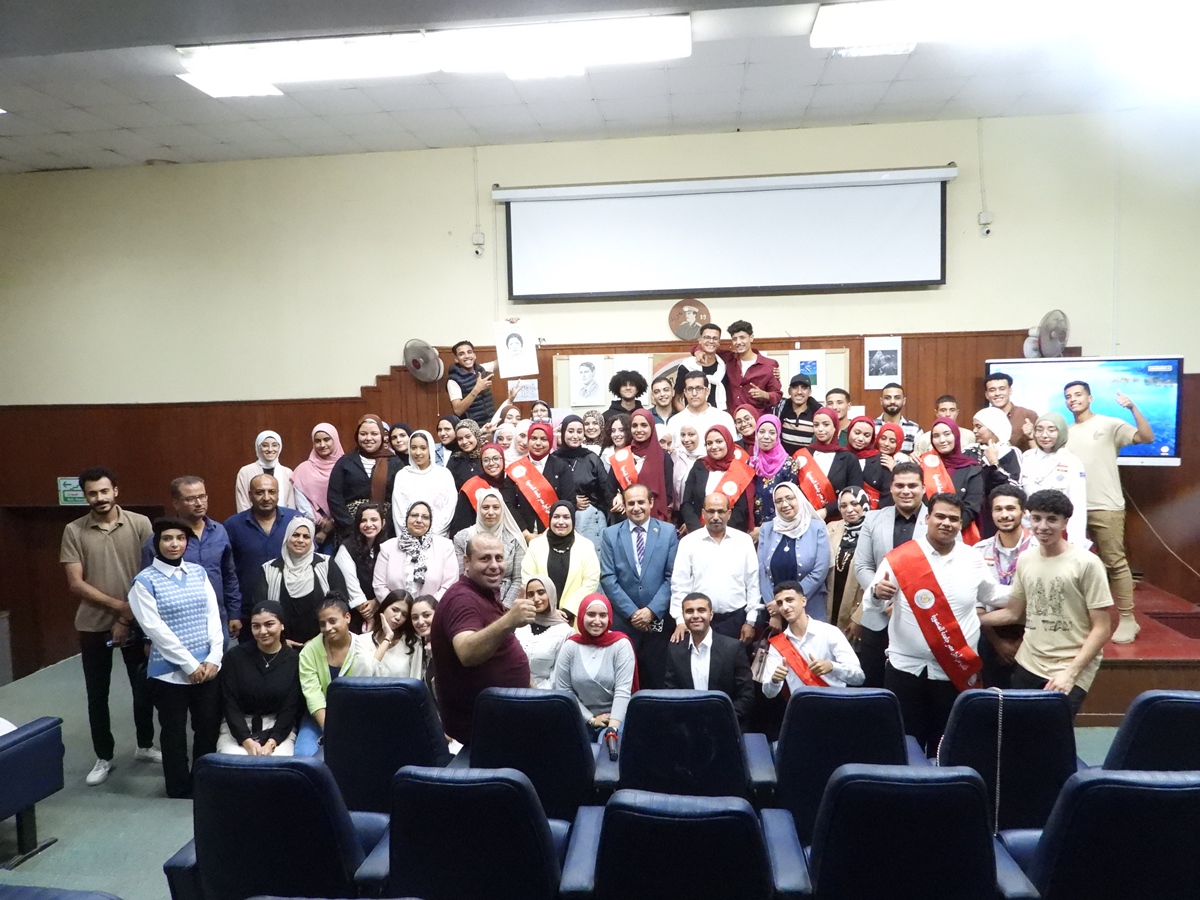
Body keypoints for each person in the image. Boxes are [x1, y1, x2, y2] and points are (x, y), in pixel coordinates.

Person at [866, 493, 1001, 756]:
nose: (946, 523)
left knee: (948, 748)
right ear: (927, 518)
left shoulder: (972, 558)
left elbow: (992, 595)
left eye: (953, 518)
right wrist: (876, 594)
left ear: (960, 524)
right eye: (940, 516)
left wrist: (1026, 591)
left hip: (954, 669)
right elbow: (871, 606)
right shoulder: (901, 558)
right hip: (906, 671)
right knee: (904, 747)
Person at [61, 466, 157, 785]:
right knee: (97, 694)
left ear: (115, 490)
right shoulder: (74, 530)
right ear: (85, 496)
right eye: (92, 493)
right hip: (93, 624)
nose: (99, 498)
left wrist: (127, 616)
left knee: (143, 688)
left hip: (138, 621)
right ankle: (104, 756)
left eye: (104, 491)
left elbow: (152, 572)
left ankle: (145, 745)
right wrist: (120, 608)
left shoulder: (140, 524)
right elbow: (75, 583)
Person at [981, 490, 1114, 718]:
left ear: (1065, 522)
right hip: (1028, 662)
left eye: (1052, 519)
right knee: (1017, 728)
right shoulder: (1026, 559)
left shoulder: (1087, 563)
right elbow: (1013, 612)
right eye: (1036, 518)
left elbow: (1102, 628)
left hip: (1068, 667)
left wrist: (1070, 673)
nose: (1043, 526)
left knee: (1053, 732)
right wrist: (967, 619)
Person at [128, 517, 224, 798]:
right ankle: (179, 787)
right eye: (167, 538)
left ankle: (203, 781)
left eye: (180, 538)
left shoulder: (198, 572)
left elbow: (212, 616)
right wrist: (189, 664)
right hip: (169, 672)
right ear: (156, 543)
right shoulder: (144, 582)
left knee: (207, 728)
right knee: (174, 732)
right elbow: (155, 630)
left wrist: (214, 658)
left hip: (207, 668)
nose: (174, 544)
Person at [1064, 380, 1154, 643]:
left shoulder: (1109, 424)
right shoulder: (1065, 432)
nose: (1073, 399)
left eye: (1078, 394)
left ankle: (1127, 618)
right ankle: (1081, 619)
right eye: (1068, 396)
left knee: (1115, 562)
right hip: (1073, 510)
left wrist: (1133, 408)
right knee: (1073, 565)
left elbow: (1147, 438)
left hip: (1106, 504)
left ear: (1090, 398)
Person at [431, 534, 536, 744]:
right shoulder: (462, 599)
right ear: (467, 562)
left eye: (499, 558)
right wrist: (509, 620)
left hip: (506, 718)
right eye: (485, 558)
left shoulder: (484, 593)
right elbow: (467, 652)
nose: (494, 565)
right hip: (483, 729)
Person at [851, 462, 927, 688]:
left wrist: (904, 604)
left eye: (912, 485)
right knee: (873, 685)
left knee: (911, 689)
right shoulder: (873, 519)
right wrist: (883, 598)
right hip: (877, 618)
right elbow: (862, 565)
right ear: (891, 488)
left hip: (922, 620)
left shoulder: (938, 519)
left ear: (923, 488)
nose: (906, 491)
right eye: (900, 485)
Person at [140, 475, 242, 638]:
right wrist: (148, 637)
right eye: (191, 499)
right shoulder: (161, 540)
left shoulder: (219, 531)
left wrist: (234, 613)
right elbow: (147, 589)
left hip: (217, 619)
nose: (199, 503)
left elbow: (229, 575)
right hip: (178, 625)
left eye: (202, 496)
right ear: (176, 503)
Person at [599, 484, 679, 689]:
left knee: (657, 682)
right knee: (624, 683)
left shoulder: (668, 532)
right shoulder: (610, 534)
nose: (636, 508)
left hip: (659, 622)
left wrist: (651, 611)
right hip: (625, 622)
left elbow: (672, 577)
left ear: (651, 503)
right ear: (624, 506)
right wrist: (633, 613)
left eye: (641, 502)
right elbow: (608, 577)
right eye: (631, 503)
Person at [671, 492, 761, 643]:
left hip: (736, 620)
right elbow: (680, 584)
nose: (716, 516)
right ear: (703, 513)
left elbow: (753, 583)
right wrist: (680, 620)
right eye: (711, 511)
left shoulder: (744, 541)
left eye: (721, 511)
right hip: (699, 620)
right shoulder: (689, 543)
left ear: (729, 514)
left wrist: (750, 621)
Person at [217, 600, 301, 756]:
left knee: (278, 764)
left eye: (269, 624)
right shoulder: (234, 657)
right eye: (256, 626)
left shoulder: (294, 661)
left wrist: (272, 742)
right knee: (234, 763)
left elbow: (290, 709)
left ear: (282, 625)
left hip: (277, 726)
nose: (263, 631)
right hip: (238, 726)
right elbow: (230, 704)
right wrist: (246, 740)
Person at [551, 594, 638, 739]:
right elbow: (564, 690)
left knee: (608, 747)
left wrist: (612, 728)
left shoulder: (621, 644)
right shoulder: (570, 646)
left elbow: (623, 691)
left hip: (616, 719)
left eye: (602, 615)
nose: (597, 621)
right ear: (581, 616)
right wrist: (591, 719)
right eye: (591, 614)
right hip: (578, 716)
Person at [250, 517, 348, 646]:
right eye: (295, 535)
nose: (300, 540)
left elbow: (341, 603)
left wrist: (319, 640)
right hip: (282, 646)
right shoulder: (269, 569)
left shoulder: (326, 564)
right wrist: (281, 641)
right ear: (287, 537)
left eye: (306, 536)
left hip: (324, 644)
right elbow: (261, 609)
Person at [665, 592, 755, 727]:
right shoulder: (675, 649)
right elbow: (671, 691)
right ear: (683, 616)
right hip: (687, 727)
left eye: (701, 610)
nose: (695, 615)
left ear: (711, 615)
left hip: (726, 725)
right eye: (689, 611)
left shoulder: (733, 648)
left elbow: (746, 695)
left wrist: (721, 720)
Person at [225, 474, 301, 635]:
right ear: (250, 495)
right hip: (249, 610)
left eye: (271, 492)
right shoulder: (233, 525)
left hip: (291, 606)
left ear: (278, 494)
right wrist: (234, 612)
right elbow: (228, 573)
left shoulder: (295, 520)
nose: (266, 498)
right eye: (260, 492)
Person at [974, 485, 1033, 689]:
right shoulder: (979, 551)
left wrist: (1021, 643)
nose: (1004, 515)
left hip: (1032, 633)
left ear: (1023, 512)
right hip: (990, 634)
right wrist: (998, 643)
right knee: (993, 696)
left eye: (1011, 508)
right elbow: (975, 602)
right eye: (998, 509)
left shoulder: (1040, 549)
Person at [761, 581, 864, 698]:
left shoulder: (830, 632)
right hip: (802, 706)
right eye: (780, 603)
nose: (785, 607)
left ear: (803, 601)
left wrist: (832, 667)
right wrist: (774, 680)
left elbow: (859, 677)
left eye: (789, 600)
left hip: (836, 703)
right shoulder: (778, 644)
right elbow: (769, 693)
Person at [296, 593, 360, 755]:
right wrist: (330, 730)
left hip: (356, 716)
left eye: (333, 621)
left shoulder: (364, 647)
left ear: (347, 617)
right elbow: (313, 695)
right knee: (303, 757)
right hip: (318, 717)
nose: (327, 628)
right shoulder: (309, 651)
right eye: (322, 624)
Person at [757, 482, 831, 621]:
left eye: (789, 498)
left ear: (799, 498)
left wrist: (785, 603)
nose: (784, 504)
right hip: (773, 611)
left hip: (809, 607)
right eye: (779, 501)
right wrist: (775, 608)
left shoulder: (816, 528)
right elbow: (762, 572)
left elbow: (819, 571)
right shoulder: (767, 529)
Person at [521, 500, 601, 619]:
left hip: (573, 617)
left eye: (566, 517)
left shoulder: (586, 546)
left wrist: (567, 610)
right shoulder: (535, 545)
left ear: (573, 520)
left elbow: (591, 582)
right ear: (550, 519)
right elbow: (527, 579)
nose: (561, 522)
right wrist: (550, 610)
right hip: (541, 615)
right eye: (556, 517)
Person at [327, 414, 397, 543]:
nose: (368, 438)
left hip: (386, 530)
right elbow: (334, 497)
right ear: (357, 436)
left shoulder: (395, 463)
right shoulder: (345, 462)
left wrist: (385, 525)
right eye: (363, 434)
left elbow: (399, 498)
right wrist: (350, 526)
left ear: (382, 436)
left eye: (374, 434)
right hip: (349, 530)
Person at [452, 486, 526, 606]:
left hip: (506, 602)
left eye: (496, 507)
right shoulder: (462, 537)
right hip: (472, 600)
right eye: (485, 507)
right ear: (478, 509)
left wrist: (504, 609)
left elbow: (518, 580)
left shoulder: (515, 539)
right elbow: (462, 577)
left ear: (502, 510)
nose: (491, 512)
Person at [1021, 412, 1087, 545]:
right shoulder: (1026, 457)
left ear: (1061, 432)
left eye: (1051, 430)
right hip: (1028, 531)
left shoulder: (1072, 461)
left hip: (1057, 530)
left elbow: (1078, 505)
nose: (1044, 435)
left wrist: (1076, 542)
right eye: (1039, 430)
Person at [374, 501, 460, 602]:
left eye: (425, 517)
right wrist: (399, 607)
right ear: (406, 518)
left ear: (431, 522)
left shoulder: (445, 547)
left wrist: (426, 608)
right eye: (414, 515)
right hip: (396, 610)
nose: (419, 520)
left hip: (433, 610)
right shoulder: (388, 547)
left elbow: (450, 585)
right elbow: (379, 586)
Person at [681, 424, 755, 534]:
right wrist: (698, 530)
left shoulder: (739, 469)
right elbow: (687, 503)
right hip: (699, 532)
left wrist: (720, 533)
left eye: (719, 442)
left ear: (728, 442)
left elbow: (741, 509)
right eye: (709, 443)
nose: (714, 446)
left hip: (731, 534)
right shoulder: (700, 465)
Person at [505, 421, 572, 540]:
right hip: (521, 534)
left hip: (554, 534)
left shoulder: (561, 467)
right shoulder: (516, 468)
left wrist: (552, 532)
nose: (538, 443)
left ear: (550, 441)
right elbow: (508, 504)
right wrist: (526, 534)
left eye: (543, 439)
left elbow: (569, 501)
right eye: (534, 438)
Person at [919, 417, 985, 539]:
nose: (942, 440)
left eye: (947, 434)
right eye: (936, 436)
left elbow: (972, 507)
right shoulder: (923, 462)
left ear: (956, 435)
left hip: (959, 534)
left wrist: (948, 530)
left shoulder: (971, 468)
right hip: (925, 533)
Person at [796, 408, 864, 521]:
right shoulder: (802, 455)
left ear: (835, 427)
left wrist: (826, 511)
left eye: (826, 424)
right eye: (816, 425)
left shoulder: (849, 458)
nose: (820, 429)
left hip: (838, 520)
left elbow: (855, 492)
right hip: (805, 518)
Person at [605, 408, 673, 522]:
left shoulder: (663, 457)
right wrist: (618, 498)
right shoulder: (622, 456)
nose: (639, 430)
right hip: (625, 517)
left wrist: (645, 509)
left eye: (644, 425)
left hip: (654, 518)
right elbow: (609, 491)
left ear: (651, 427)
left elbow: (668, 494)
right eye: (634, 426)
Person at [555, 414, 611, 545]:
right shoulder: (554, 459)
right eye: (571, 431)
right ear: (563, 433)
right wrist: (572, 500)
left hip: (590, 518)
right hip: (560, 519)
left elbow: (606, 487)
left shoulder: (591, 458)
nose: (575, 436)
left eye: (579, 432)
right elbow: (549, 489)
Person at [968, 407, 1023, 538]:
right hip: (973, 513)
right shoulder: (969, 451)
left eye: (979, 427)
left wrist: (994, 462)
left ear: (993, 428)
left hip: (999, 513)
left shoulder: (1010, 453)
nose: (974, 431)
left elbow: (1014, 487)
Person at [391, 429, 457, 538]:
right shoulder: (402, 475)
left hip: (438, 536)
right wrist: (411, 536)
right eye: (413, 448)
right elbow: (399, 512)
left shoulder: (443, 475)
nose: (418, 453)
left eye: (423, 448)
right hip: (408, 538)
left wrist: (432, 535)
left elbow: (449, 508)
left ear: (430, 449)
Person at [332, 503, 390, 627]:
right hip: (355, 612)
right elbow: (351, 586)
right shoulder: (346, 549)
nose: (369, 524)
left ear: (383, 522)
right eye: (363, 520)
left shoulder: (389, 546)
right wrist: (367, 613)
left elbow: (392, 579)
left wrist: (377, 601)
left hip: (382, 606)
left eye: (374, 520)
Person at [289, 424, 343, 548]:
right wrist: (317, 521)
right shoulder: (303, 469)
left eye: (327, 439)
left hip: (341, 528)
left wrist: (331, 523)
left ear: (335, 440)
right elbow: (301, 501)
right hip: (310, 530)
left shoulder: (345, 466)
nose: (322, 445)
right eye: (317, 441)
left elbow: (347, 497)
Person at [513, 578, 573, 689]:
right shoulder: (519, 625)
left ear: (551, 594)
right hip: (512, 690)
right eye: (530, 594)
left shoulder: (565, 632)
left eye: (541, 593)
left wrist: (538, 693)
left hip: (545, 694)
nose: (536, 599)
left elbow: (558, 676)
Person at [352, 590, 425, 678]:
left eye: (404, 615)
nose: (398, 617)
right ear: (384, 607)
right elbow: (362, 675)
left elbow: (416, 679)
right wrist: (388, 637)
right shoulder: (362, 641)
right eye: (394, 610)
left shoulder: (412, 643)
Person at [826, 488, 869, 630]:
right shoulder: (831, 528)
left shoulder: (874, 531)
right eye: (843, 506)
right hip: (830, 601)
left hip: (857, 608)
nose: (849, 510)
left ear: (864, 503)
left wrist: (859, 618)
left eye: (855, 504)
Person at [719, 320, 782, 415]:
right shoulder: (729, 359)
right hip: (733, 418)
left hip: (757, 419)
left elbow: (777, 395)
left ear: (751, 338)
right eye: (734, 339)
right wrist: (698, 351)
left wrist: (765, 395)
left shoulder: (769, 365)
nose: (738, 342)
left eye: (742, 338)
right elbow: (708, 348)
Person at [748, 413, 799, 525]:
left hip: (780, 525)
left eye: (772, 433)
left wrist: (767, 526)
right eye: (761, 432)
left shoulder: (789, 465)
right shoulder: (751, 463)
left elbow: (791, 501)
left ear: (778, 435)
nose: (766, 436)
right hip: (752, 529)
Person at [449, 442, 508, 536]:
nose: (491, 463)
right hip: (478, 538)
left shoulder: (511, 484)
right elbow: (461, 524)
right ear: (481, 463)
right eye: (486, 460)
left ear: (503, 460)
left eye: (496, 458)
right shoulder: (472, 485)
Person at [667, 369, 736, 449]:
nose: (694, 393)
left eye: (699, 388)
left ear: (707, 391)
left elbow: (733, 448)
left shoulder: (723, 418)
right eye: (690, 389)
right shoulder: (674, 421)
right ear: (685, 392)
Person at [234, 430, 297, 512]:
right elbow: (243, 504)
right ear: (258, 447)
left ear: (280, 447)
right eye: (265, 445)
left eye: (274, 445)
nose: (270, 449)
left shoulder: (287, 473)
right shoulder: (245, 472)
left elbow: (291, 505)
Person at [674, 322, 728, 411]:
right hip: (692, 417)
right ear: (700, 340)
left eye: (715, 338)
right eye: (707, 337)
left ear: (719, 342)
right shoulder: (686, 367)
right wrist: (688, 416)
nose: (711, 341)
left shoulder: (724, 367)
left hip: (718, 416)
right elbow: (676, 400)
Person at [985, 372, 1038, 453]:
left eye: (1002, 389)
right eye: (992, 390)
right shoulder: (982, 419)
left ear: (1010, 391)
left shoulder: (1028, 415)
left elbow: (1042, 451)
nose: (997, 393)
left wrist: (1031, 437)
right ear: (987, 395)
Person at [447, 339, 497, 425]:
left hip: (490, 423)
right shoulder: (453, 381)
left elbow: (501, 362)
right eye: (461, 354)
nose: (467, 356)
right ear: (456, 359)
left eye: (469, 352)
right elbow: (458, 410)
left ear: (474, 355)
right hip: (471, 428)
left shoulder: (481, 369)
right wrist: (477, 389)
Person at [844, 417, 890, 509]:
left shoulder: (881, 460)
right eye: (857, 433)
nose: (861, 439)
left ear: (872, 438)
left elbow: (887, 493)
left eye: (867, 435)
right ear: (849, 432)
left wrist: (878, 514)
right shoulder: (839, 456)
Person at [775, 374, 822, 454]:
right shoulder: (780, 409)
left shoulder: (818, 413)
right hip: (784, 459)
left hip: (809, 460)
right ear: (789, 391)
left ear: (810, 392)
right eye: (795, 387)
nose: (799, 392)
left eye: (804, 388)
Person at [873, 383, 920, 454]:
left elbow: (918, 456)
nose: (892, 401)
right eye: (887, 398)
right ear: (881, 401)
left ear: (904, 401)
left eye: (897, 398)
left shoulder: (915, 429)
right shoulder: (872, 427)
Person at [670, 424, 704, 515]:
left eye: (691, 435)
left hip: (699, 512)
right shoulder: (677, 454)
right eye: (682, 435)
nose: (686, 439)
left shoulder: (707, 458)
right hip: (677, 511)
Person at [447, 419, 484, 489]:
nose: (464, 442)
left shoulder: (486, 456)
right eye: (460, 439)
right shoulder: (455, 460)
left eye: (468, 437)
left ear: (476, 435)